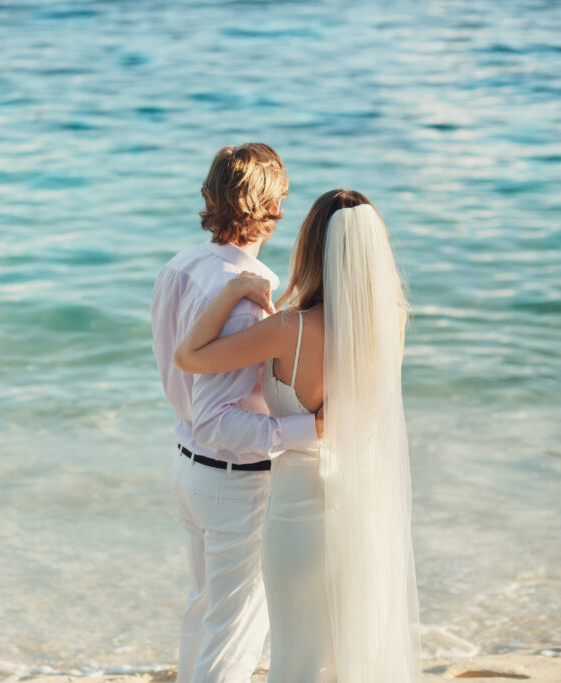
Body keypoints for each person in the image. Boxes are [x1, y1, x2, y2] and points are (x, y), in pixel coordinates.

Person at [174, 189, 421, 682]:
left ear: (311, 248)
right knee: (348, 654)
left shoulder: (291, 328)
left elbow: (190, 357)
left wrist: (234, 291)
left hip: (298, 510)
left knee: (297, 658)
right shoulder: (391, 324)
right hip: (365, 505)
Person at [150, 143, 323, 683]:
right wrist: (308, 430)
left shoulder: (181, 265)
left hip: (188, 468)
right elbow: (217, 420)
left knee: (205, 613)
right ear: (272, 209)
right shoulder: (245, 298)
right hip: (231, 481)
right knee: (234, 632)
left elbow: (183, 386)